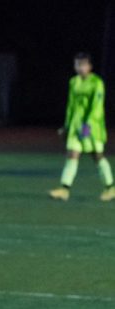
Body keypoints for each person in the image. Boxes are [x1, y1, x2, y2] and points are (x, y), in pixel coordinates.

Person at [48, 53, 115, 202]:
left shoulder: (97, 82)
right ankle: (64, 189)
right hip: (76, 126)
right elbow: (71, 106)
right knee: (72, 155)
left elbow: (97, 106)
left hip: (92, 126)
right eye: (77, 64)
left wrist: (88, 126)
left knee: (97, 156)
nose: (80, 68)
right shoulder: (74, 82)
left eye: (83, 65)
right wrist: (66, 126)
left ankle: (110, 188)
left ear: (90, 67)